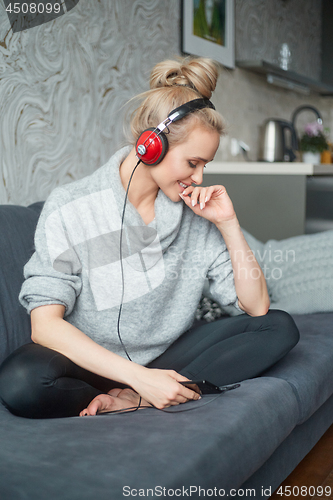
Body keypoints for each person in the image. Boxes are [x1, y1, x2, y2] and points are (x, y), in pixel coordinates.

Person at [0, 57, 300, 419]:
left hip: (167, 357)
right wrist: (137, 378)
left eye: (206, 165)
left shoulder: (195, 216)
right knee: (20, 382)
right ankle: (139, 391)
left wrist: (229, 224)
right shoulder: (71, 205)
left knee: (279, 326)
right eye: (193, 163)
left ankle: (134, 401)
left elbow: (257, 308)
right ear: (151, 145)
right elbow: (45, 325)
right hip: (87, 361)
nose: (199, 178)